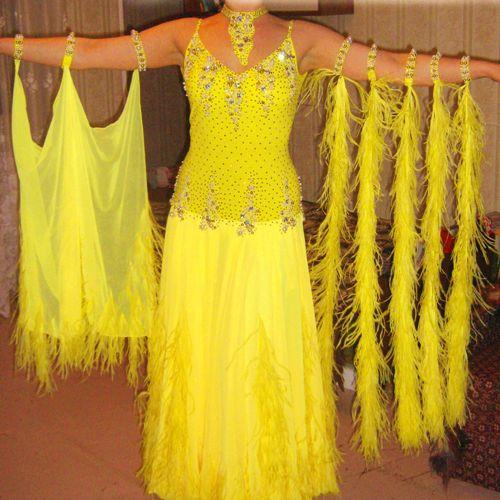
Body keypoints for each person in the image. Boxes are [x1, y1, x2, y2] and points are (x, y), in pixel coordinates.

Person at [2, 0, 499, 498]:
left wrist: (484, 67)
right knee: (203, 345)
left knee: (264, 343)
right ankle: (204, 473)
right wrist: (8, 43)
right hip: (198, 220)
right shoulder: (185, 34)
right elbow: (89, 53)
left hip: (269, 223)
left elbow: (390, 65)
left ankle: (267, 476)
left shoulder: (302, 38)